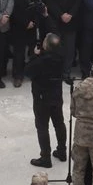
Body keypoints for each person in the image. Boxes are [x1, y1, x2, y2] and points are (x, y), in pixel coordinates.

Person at [27, 33, 68, 169]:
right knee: (59, 123)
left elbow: (28, 72)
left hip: (42, 98)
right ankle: (62, 151)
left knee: (42, 127)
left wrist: (34, 55)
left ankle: (45, 157)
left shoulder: (41, 60)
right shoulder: (61, 57)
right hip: (56, 96)